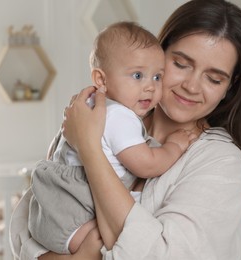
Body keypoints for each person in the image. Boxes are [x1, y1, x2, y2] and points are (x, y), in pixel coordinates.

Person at [9, 0, 241, 259]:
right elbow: (28, 222)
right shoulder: (101, 118)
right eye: (181, 64)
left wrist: (90, 148)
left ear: (230, 86)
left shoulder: (221, 162)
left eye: (214, 78)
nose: (192, 86)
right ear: (160, 54)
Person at [28, 21, 196, 255]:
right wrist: (174, 146)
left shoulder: (92, 108)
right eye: (138, 75)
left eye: (157, 77)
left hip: (50, 212)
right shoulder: (119, 116)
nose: (150, 86)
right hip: (75, 212)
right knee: (105, 240)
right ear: (102, 80)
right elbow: (147, 164)